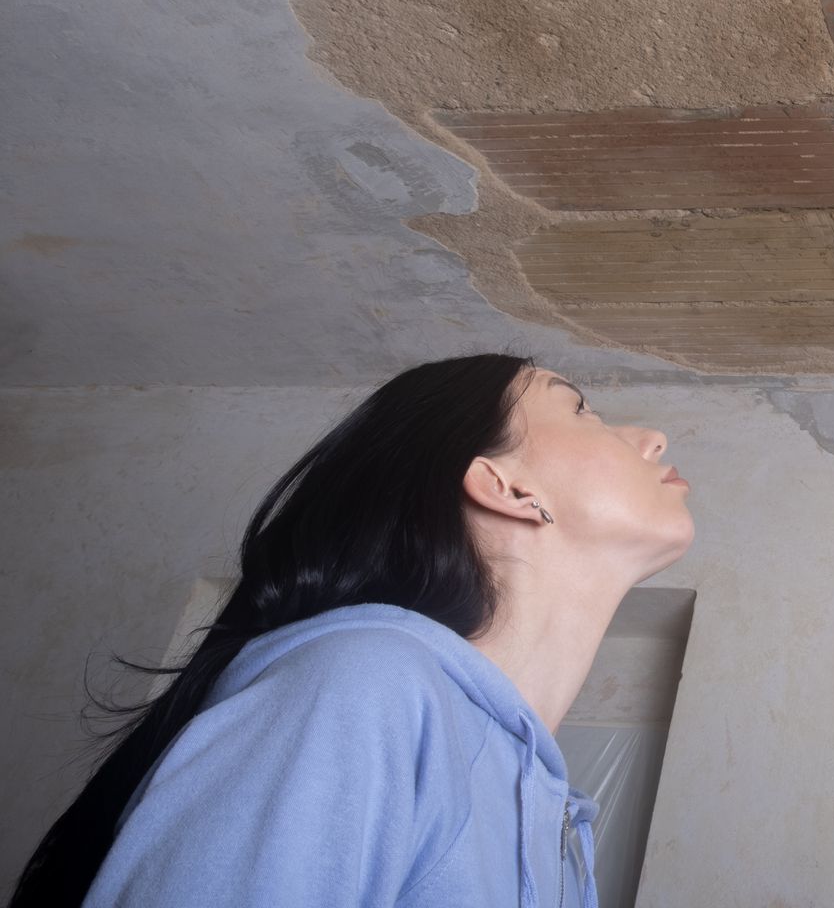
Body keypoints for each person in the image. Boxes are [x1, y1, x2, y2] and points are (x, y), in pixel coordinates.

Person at [9, 353, 695, 907]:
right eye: (582, 408)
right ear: (507, 487)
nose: (650, 436)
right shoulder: (361, 683)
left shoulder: (543, 808)